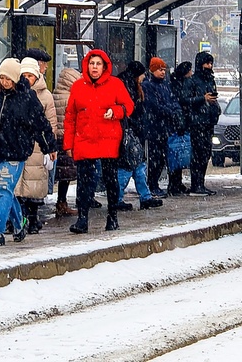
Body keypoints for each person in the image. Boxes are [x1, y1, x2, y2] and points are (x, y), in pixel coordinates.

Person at [0, 58, 57, 247]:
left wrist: (49, 147)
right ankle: (19, 223)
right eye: (1, 78)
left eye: (8, 79)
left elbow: (41, 125)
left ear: (15, 78)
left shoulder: (27, 98)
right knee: (4, 189)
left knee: (2, 189)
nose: (4, 82)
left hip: (16, 153)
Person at [64, 49, 134, 233]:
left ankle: (112, 216)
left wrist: (116, 111)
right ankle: (82, 219)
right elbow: (70, 116)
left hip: (108, 139)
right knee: (84, 182)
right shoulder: (78, 86)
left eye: (98, 64)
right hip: (84, 139)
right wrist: (68, 144)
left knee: (110, 179)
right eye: (92, 63)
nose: (94, 67)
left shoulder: (115, 84)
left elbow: (129, 106)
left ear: (104, 67)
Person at [14, 58, 59, 235]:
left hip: (37, 147)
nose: (27, 79)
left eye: (30, 75)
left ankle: (33, 218)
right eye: (23, 75)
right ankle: (19, 218)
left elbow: (51, 122)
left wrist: (49, 144)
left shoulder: (45, 95)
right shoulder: (16, 93)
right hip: (19, 145)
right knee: (18, 185)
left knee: (34, 185)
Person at [116, 60, 162, 210]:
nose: (144, 77)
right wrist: (137, 125)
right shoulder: (129, 88)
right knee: (128, 166)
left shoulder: (128, 85)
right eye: (142, 74)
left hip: (133, 132)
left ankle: (144, 196)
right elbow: (131, 111)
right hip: (130, 133)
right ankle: (119, 197)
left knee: (137, 165)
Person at [185, 53, 222, 196]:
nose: (209, 66)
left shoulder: (210, 80)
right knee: (198, 154)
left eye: (211, 64)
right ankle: (196, 184)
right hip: (197, 123)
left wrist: (214, 105)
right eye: (207, 63)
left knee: (206, 154)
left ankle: (201, 182)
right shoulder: (192, 81)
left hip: (208, 122)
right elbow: (185, 100)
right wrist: (202, 99)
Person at [143, 57, 179, 197]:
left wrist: (173, 110)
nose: (163, 72)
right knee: (155, 158)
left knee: (162, 158)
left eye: (164, 69)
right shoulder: (148, 85)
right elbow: (154, 106)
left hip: (164, 128)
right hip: (154, 128)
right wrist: (170, 111)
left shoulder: (165, 84)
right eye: (160, 69)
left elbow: (172, 100)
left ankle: (154, 184)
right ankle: (152, 184)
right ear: (153, 70)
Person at [54, 62, 81, 216]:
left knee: (60, 173)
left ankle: (60, 202)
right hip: (67, 139)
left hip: (56, 138)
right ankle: (61, 202)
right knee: (66, 174)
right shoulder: (71, 97)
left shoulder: (54, 94)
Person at [168, 62, 196, 195]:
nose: (191, 73)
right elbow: (182, 102)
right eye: (189, 71)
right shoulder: (179, 85)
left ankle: (176, 183)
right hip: (177, 124)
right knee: (176, 155)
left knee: (177, 155)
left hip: (180, 123)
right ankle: (174, 184)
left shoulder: (177, 83)